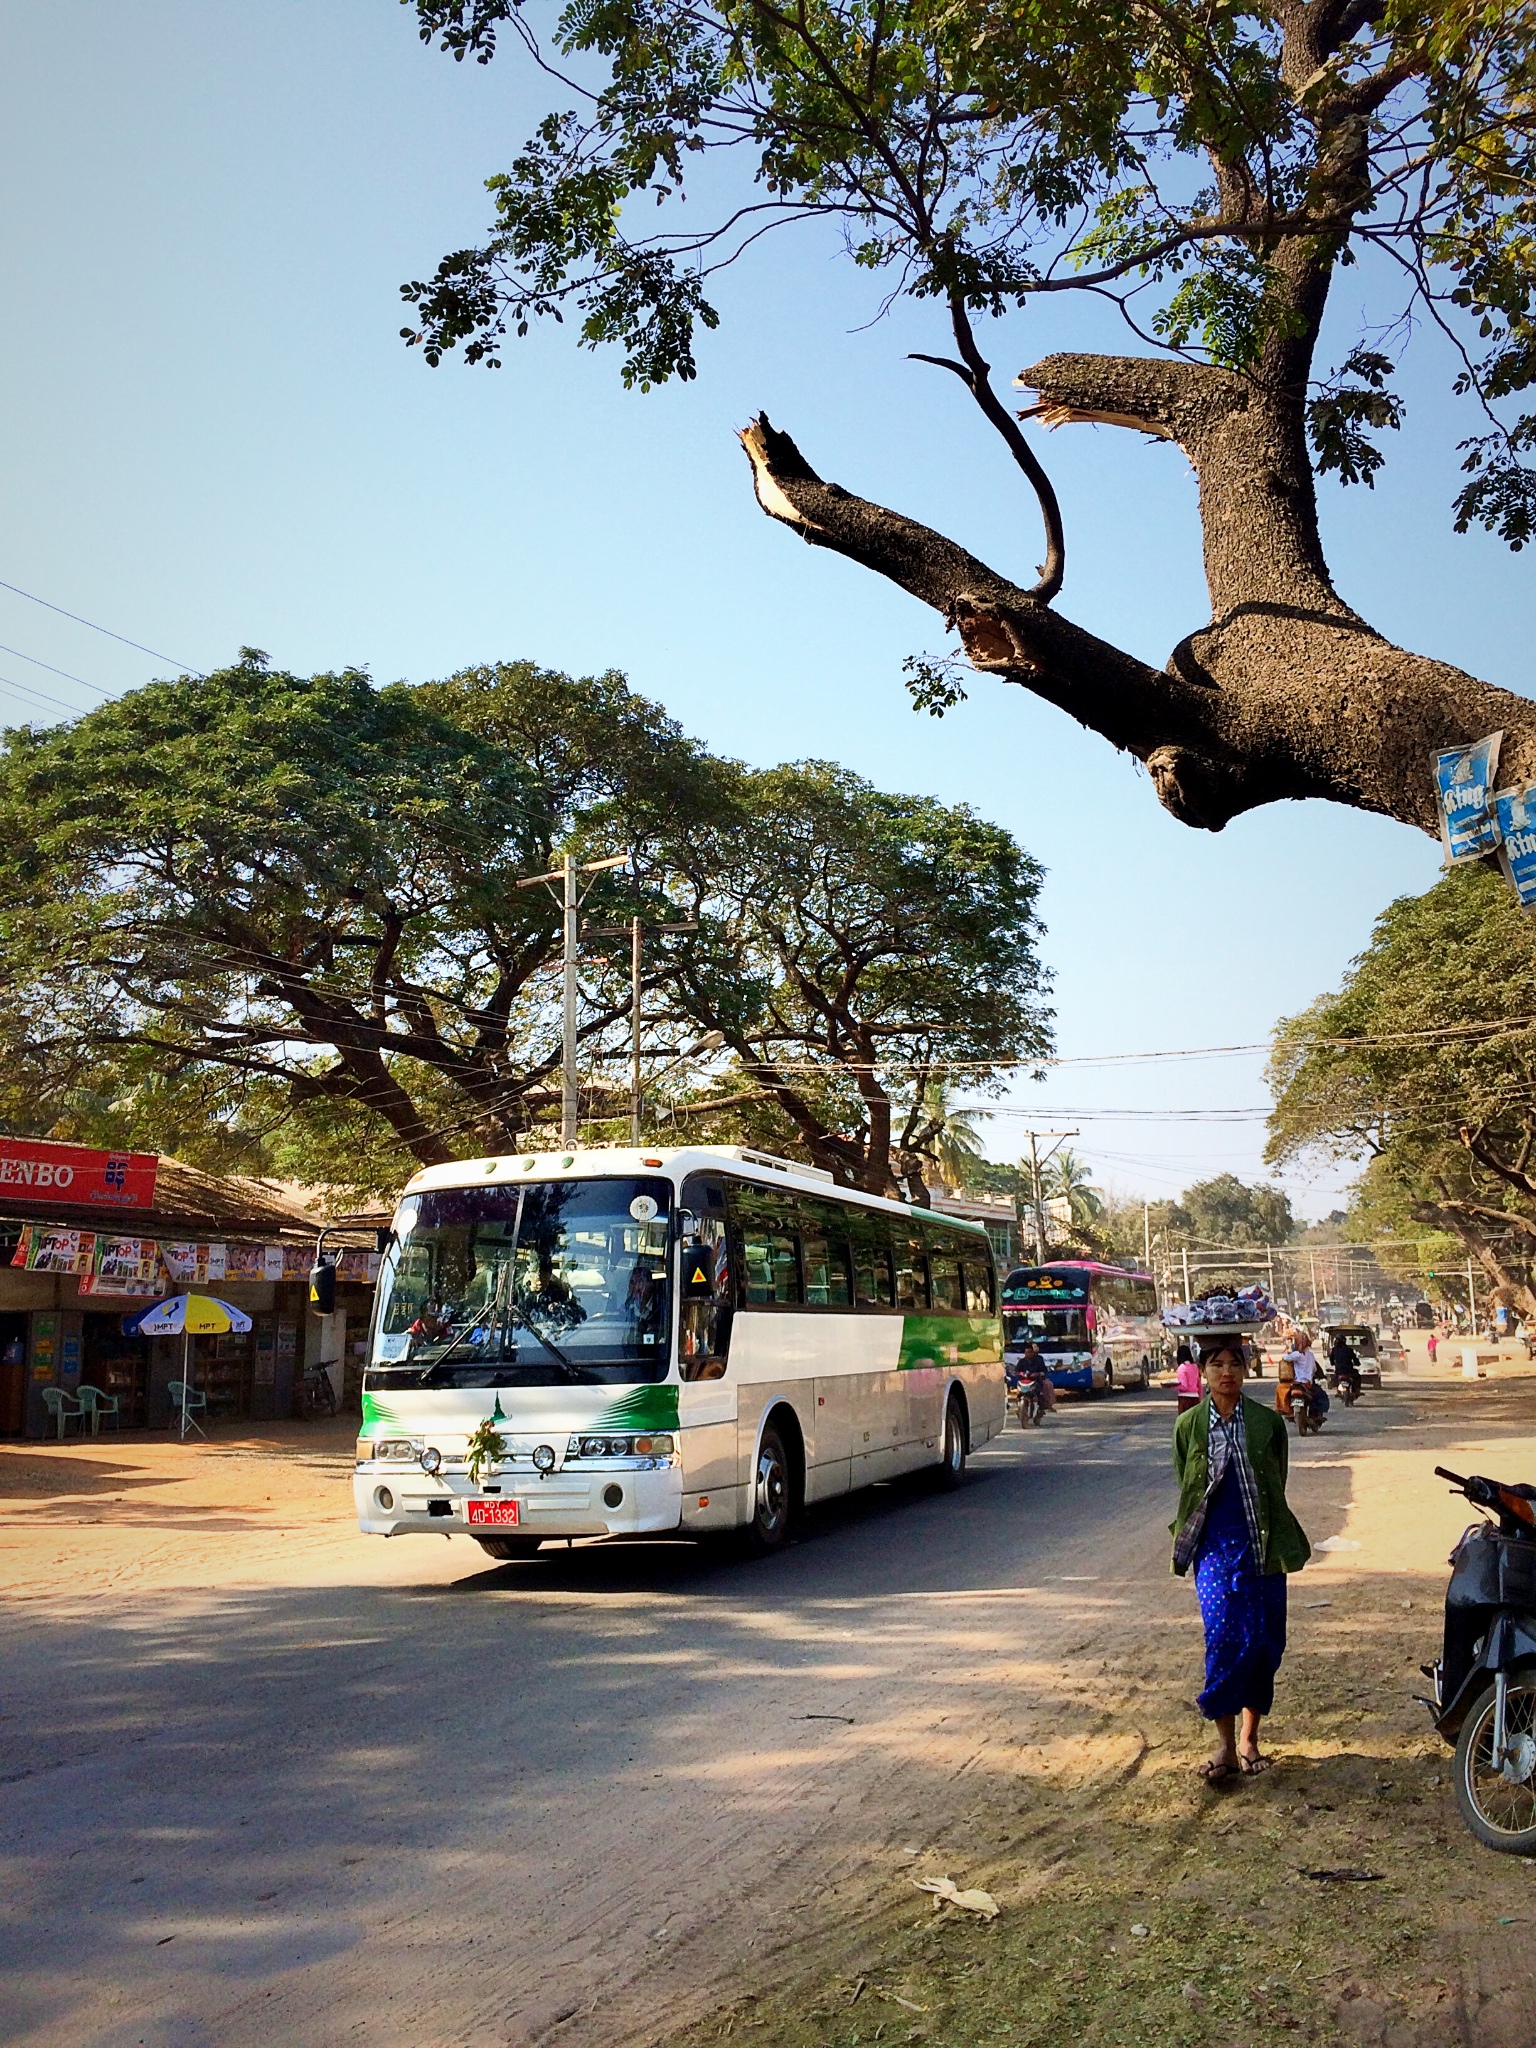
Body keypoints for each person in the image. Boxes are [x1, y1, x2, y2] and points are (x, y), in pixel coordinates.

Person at [1172, 1340, 1311, 1783]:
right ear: (1203, 1373)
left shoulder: (1268, 1424)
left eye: (1235, 1363)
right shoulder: (1190, 1426)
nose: (1226, 1372)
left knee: (1265, 1642)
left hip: (1263, 1547)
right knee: (1225, 1640)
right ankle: (1226, 1747)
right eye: (1216, 1364)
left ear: (1247, 1371)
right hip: (1214, 1551)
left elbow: (1277, 1481)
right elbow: (1188, 1488)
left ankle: (1252, 1738)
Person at [1175, 1345, 1203, 1414]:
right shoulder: (1195, 1367)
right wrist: (1199, 1399)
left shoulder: (1182, 1367)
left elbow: (1184, 1386)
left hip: (1184, 1398)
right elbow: (1199, 1385)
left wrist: (1173, 1386)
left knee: (1184, 1422)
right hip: (1195, 1397)